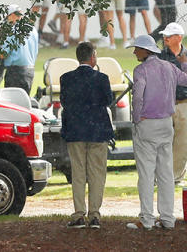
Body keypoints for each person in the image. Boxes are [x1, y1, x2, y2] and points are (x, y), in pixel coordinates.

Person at [125, 35, 187, 230]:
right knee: (166, 173)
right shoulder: (169, 67)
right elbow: (185, 80)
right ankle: (168, 219)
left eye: (137, 49)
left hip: (147, 124)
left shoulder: (140, 70)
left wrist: (136, 118)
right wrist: (184, 64)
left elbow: (137, 97)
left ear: (146, 51)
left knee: (146, 174)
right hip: (166, 124)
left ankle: (147, 219)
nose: (135, 52)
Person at [59, 42, 113, 229]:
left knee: (79, 173)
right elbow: (108, 101)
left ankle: (79, 213)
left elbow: (64, 101)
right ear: (92, 57)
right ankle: (95, 214)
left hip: (75, 130)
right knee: (97, 173)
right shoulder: (102, 78)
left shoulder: (66, 78)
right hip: (97, 130)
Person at [156, 22, 187, 182]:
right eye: (165, 36)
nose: (165, 38)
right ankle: (159, 175)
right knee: (162, 142)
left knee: (182, 142)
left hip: (184, 104)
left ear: (179, 38)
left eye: (169, 36)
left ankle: (175, 176)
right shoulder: (159, 57)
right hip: (164, 105)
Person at [0, 4, 39, 94]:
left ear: (12, 15)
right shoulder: (33, 29)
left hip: (15, 72)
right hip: (30, 71)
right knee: (24, 103)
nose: (7, 21)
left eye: (7, 18)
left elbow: (3, 54)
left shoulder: (12, 30)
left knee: (12, 104)